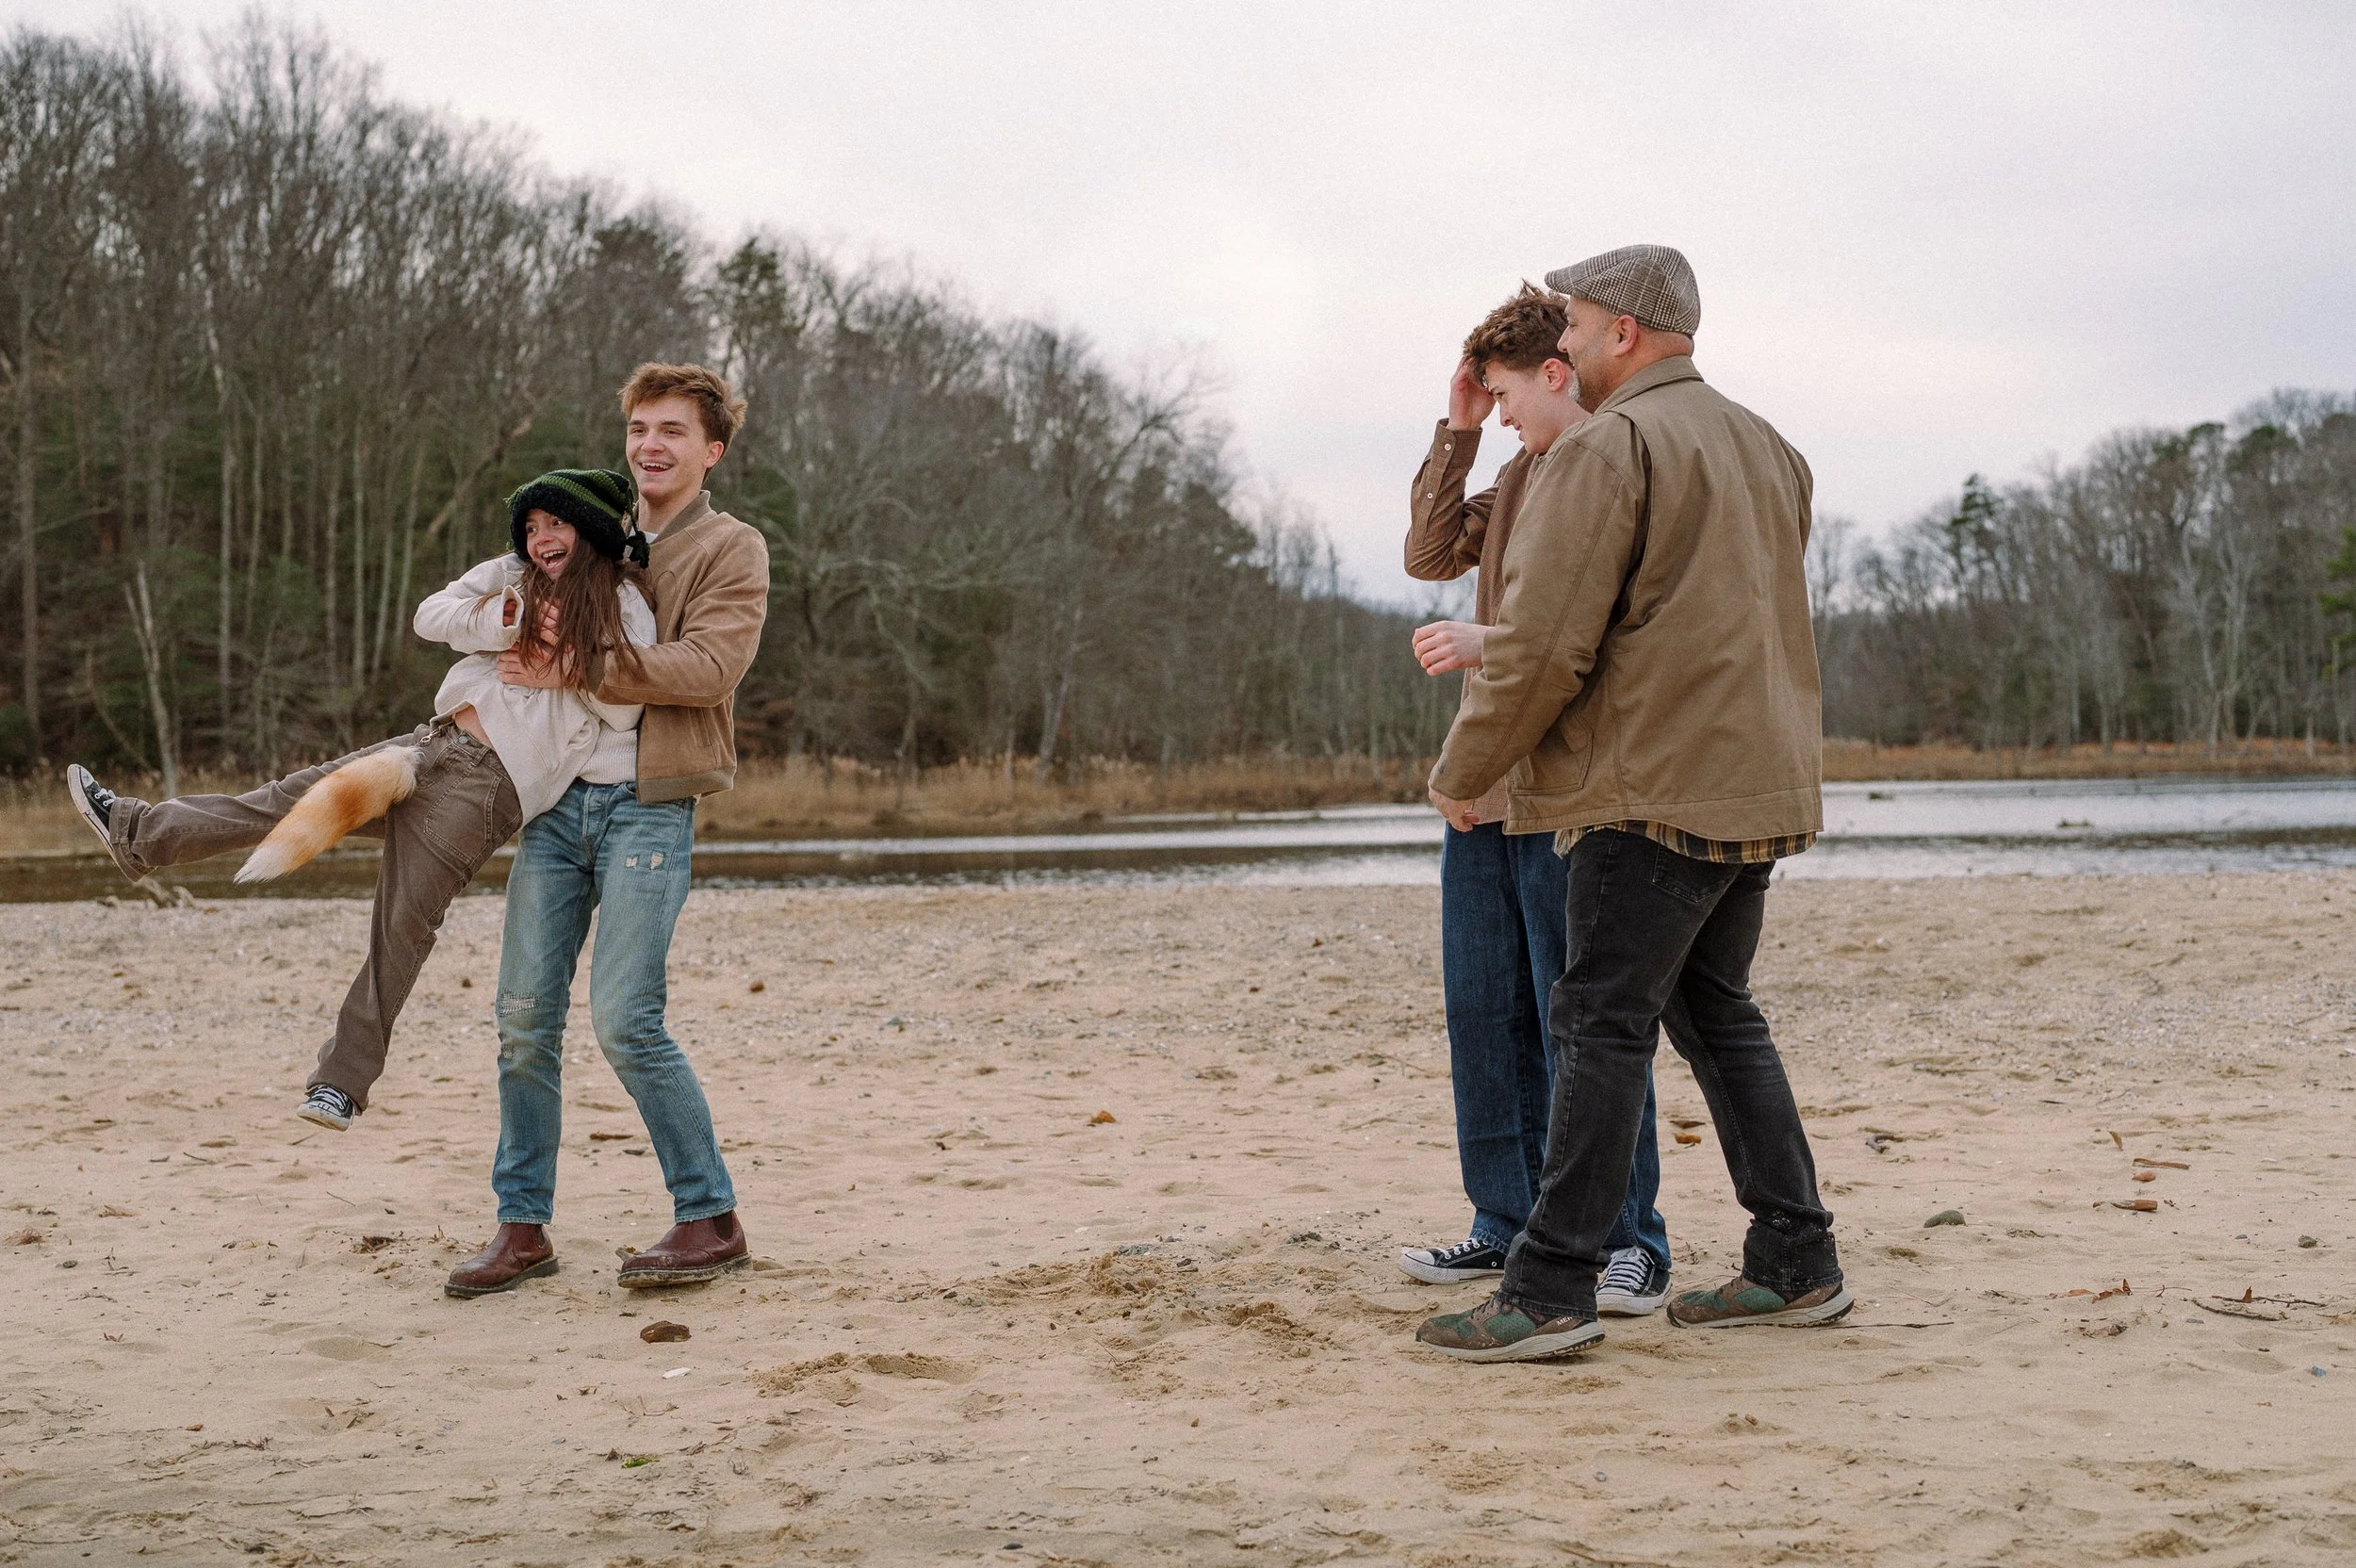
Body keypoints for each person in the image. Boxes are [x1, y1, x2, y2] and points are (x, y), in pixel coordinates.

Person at [1414, 245, 1847, 1364]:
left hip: (1645, 789)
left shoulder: (1613, 444)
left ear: (1625, 333)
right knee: (1716, 1019)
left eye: (1576, 323)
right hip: (1755, 783)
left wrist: (1463, 772)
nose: (1558, 344)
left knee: (1596, 1025)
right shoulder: (1771, 445)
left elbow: (1548, 645)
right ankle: (1797, 1259)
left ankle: (1551, 1287)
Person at [63, 468, 656, 1134]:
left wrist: (563, 670)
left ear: (593, 530)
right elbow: (430, 616)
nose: (541, 537)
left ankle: (340, 1084)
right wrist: (504, 620)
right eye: (532, 526)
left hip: (490, 784)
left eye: (557, 524)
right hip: (429, 743)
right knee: (285, 798)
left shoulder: (624, 600)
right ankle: (136, 832)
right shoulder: (512, 578)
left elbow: (630, 710)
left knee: (402, 920)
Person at [445, 362, 772, 1299]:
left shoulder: (730, 548)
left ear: (710, 450)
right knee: (521, 1021)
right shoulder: (587, 531)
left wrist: (575, 664)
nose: (649, 445)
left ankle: (709, 1214)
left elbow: (707, 666)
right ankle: (521, 1228)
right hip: (552, 806)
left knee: (627, 1017)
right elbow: (493, 616)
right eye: (638, 428)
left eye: (671, 430)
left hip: (650, 803)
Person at [1397, 285, 1672, 1316]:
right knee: (1485, 1013)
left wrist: (1488, 647)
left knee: (1586, 1028)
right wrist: (1458, 433)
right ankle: (1504, 1221)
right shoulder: (1516, 470)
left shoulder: (1620, 467)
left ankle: (1629, 1239)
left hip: (1573, 791)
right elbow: (1429, 556)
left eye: (1505, 392)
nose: (1501, 409)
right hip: (1483, 790)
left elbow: (1593, 641)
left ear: (1558, 372)